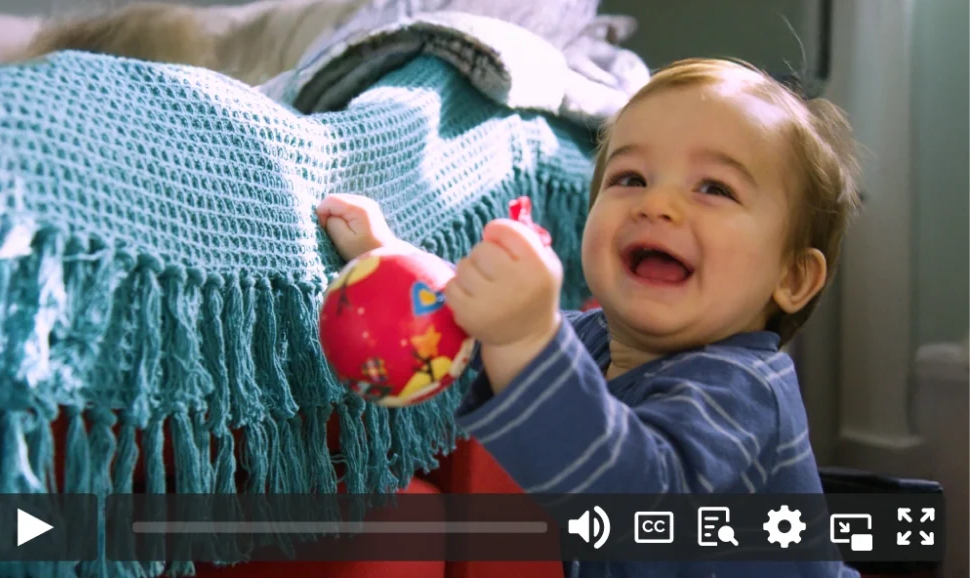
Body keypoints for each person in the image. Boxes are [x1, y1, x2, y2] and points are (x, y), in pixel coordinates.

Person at [316, 57, 862, 577]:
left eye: (714, 188)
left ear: (792, 278)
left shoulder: (744, 394)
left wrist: (527, 340)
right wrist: (398, 264)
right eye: (630, 178)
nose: (656, 204)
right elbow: (480, 326)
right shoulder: (596, 339)